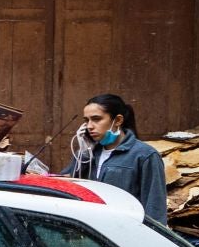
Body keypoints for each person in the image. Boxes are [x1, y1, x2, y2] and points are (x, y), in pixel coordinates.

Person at [64, 93, 167, 224]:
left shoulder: (144, 155)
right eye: (86, 120)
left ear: (118, 120)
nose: (89, 126)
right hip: (92, 231)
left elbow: (155, 207)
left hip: (124, 233)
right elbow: (68, 184)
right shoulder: (87, 153)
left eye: (96, 119)